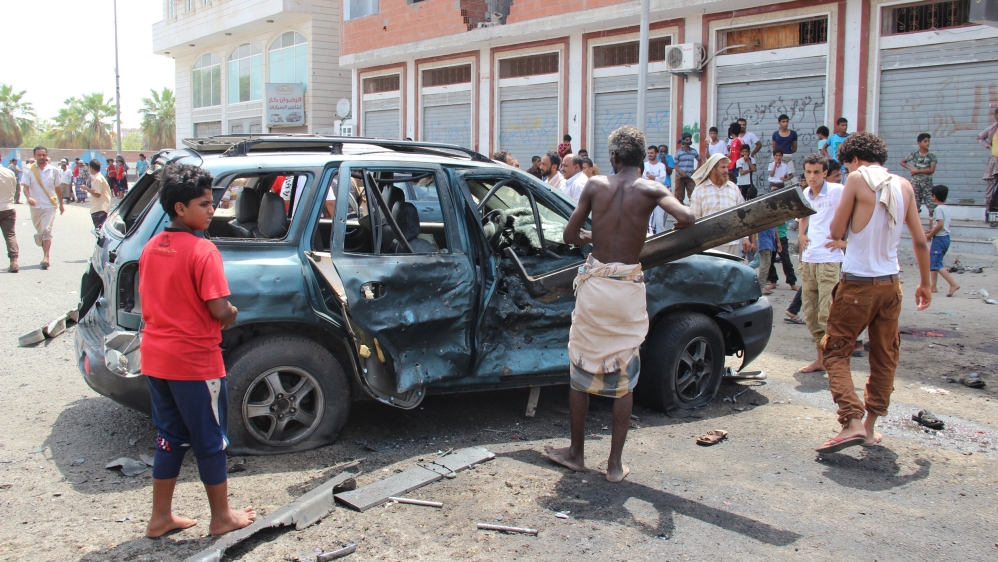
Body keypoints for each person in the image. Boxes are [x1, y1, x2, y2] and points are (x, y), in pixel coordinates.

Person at [546, 125, 694, 483]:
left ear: (613, 156)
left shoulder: (596, 185)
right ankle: (614, 465)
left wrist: (591, 235)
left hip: (596, 288)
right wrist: (674, 229)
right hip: (627, 290)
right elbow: (687, 218)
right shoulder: (652, 188)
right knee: (624, 373)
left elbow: (569, 235)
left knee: (581, 367)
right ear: (642, 158)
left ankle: (577, 453)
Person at [138, 163, 257, 538]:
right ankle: (221, 517)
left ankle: (160, 517)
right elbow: (220, 310)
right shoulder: (203, 251)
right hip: (194, 363)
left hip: (155, 358)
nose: (211, 210)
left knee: (168, 437)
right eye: (204, 204)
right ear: (180, 208)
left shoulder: (152, 247)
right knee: (210, 440)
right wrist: (233, 312)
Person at [815, 131, 932, 453]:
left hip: (858, 284)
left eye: (846, 166)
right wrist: (925, 283)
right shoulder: (904, 185)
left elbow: (836, 230)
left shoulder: (857, 180)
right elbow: (920, 241)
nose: (847, 172)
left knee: (835, 351)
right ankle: (868, 428)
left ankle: (851, 420)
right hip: (891, 284)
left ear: (854, 160)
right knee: (884, 355)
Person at [796, 153, 844, 374]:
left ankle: (835, 361)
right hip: (809, 260)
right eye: (808, 172)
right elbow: (803, 215)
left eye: (816, 172)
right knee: (811, 313)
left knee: (828, 313)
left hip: (829, 260)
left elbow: (857, 214)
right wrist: (801, 234)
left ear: (825, 173)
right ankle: (821, 360)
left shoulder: (837, 191)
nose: (812, 176)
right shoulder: (805, 193)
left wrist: (845, 242)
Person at [689, 153, 753, 257]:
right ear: (713, 169)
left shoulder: (733, 188)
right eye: (723, 167)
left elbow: (742, 215)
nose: (726, 171)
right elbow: (695, 219)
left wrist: (745, 238)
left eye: (727, 167)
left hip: (732, 243)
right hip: (710, 245)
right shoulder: (699, 190)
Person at [19, 146, 65, 270]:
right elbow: (26, 188)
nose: (42, 157)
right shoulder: (29, 170)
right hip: (35, 206)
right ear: (35, 156)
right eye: (39, 155)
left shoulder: (54, 170)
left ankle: (46, 257)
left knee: (46, 231)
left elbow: (58, 188)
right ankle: (43, 243)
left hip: (49, 206)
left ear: (47, 155)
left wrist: (61, 204)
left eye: (44, 155)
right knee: (41, 232)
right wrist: (29, 197)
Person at [924, 185, 959, 297]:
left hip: (939, 239)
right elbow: (941, 226)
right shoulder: (945, 208)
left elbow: (940, 225)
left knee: (936, 264)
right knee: (935, 261)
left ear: (934, 196)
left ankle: (953, 284)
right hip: (945, 238)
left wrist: (930, 235)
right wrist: (931, 231)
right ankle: (933, 286)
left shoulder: (938, 209)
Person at [900, 133, 938, 219]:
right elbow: (902, 162)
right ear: (919, 143)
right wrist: (911, 169)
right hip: (916, 183)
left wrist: (917, 171)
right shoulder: (915, 154)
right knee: (915, 206)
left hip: (927, 184)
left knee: (932, 206)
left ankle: (933, 226)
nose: (927, 143)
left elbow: (931, 170)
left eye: (928, 141)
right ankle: (916, 225)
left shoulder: (931, 155)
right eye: (925, 141)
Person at [767, 211, 798, 291]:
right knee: (770, 260)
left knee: (786, 260)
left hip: (782, 236)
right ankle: (773, 281)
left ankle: (792, 282)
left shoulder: (784, 210)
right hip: (771, 237)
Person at [979, 108, 998, 224]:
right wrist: (988, 146)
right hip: (994, 161)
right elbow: (980, 137)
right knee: (990, 189)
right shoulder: (993, 128)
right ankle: (989, 213)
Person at [83, 159, 112, 228]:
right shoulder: (98, 177)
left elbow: (97, 194)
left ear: (91, 168)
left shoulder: (97, 179)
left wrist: (87, 188)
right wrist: (87, 190)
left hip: (99, 208)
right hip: (100, 208)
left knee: (99, 229)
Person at [673, 135, 701, 204]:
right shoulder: (678, 152)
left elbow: (699, 160)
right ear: (683, 141)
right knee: (679, 197)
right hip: (680, 177)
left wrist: (696, 170)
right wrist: (681, 172)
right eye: (687, 140)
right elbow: (675, 165)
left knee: (693, 196)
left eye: (689, 140)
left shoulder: (693, 151)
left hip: (690, 177)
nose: (688, 141)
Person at [0, 165, 18, 272]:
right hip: (8, 208)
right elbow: (14, 189)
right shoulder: (9, 172)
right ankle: (14, 261)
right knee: (10, 235)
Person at [756, 226, 780, 295]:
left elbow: (775, 229)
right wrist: (753, 242)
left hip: (770, 243)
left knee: (766, 265)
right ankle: (761, 287)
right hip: (764, 243)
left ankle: (762, 286)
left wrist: (778, 242)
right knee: (765, 265)